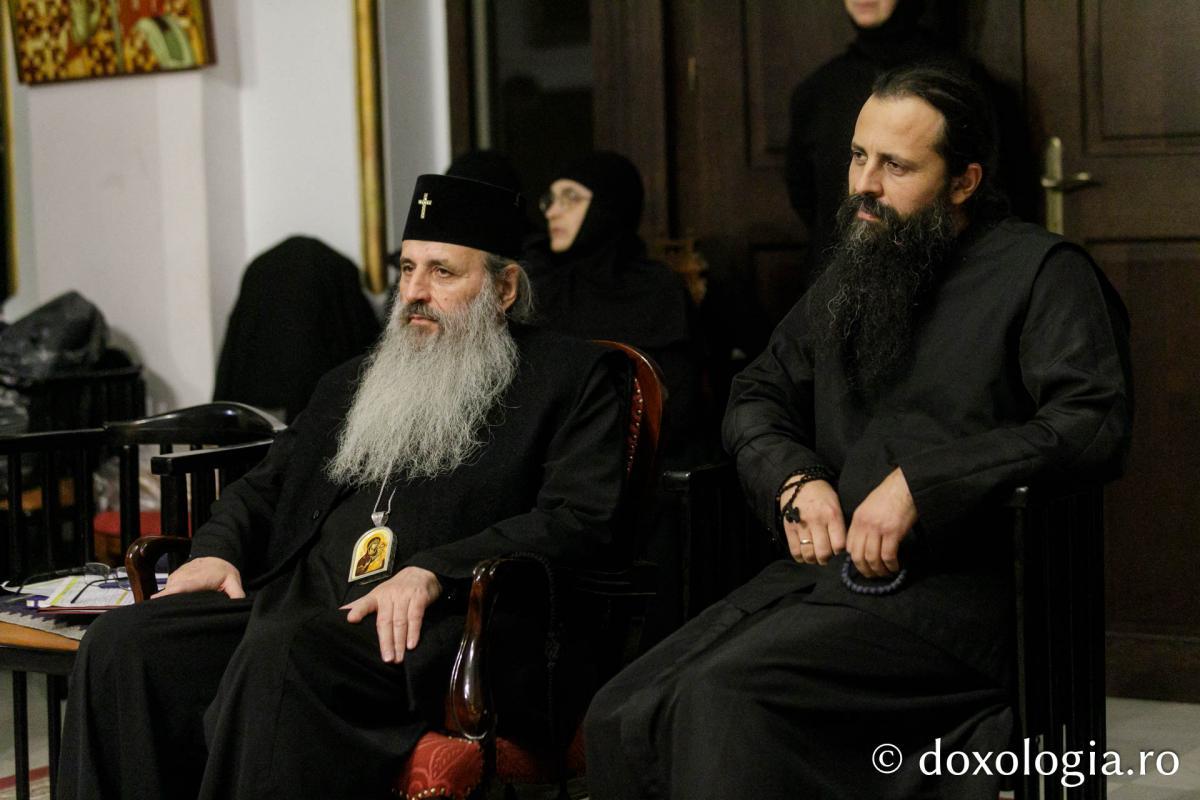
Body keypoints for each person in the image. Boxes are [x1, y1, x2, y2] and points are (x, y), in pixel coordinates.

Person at [584, 64, 1132, 799]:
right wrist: (794, 477)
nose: (865, 185)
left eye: (896, 166)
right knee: (621, 711)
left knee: (722, 701)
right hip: (822, 584)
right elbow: (756, 394)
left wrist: (921, 488)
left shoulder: (1043, 273)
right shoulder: (858, 270)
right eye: (857, 156)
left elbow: (1090, 421)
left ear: (964, 182)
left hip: (953, 604)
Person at [58, 174, 631, 800]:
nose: (414, 293)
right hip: (299, 609)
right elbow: (264, 487)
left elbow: (577, 519)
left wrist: (436, 571)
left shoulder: (570, 379)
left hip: (444, 628)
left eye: (442, 272)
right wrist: (216, 550)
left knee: (286, 651)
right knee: (122, 644)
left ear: (504, 288)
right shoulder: (352, 382)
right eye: (407, 269)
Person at [785, 0, 1036, 285]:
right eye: (858, 156)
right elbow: (804, 194)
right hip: (841, 279)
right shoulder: (817, 90)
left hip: (951, 281)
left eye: (894, 164)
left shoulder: (964, 82)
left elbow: (1004, 194)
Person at [527, 150, 704, 463]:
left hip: (644, 464)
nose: (553, 211)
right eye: (550, 200)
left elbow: (678, 405)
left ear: (608, 205)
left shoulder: (656, 288)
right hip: (550, 461)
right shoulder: (543, 283)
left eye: (571, 198)